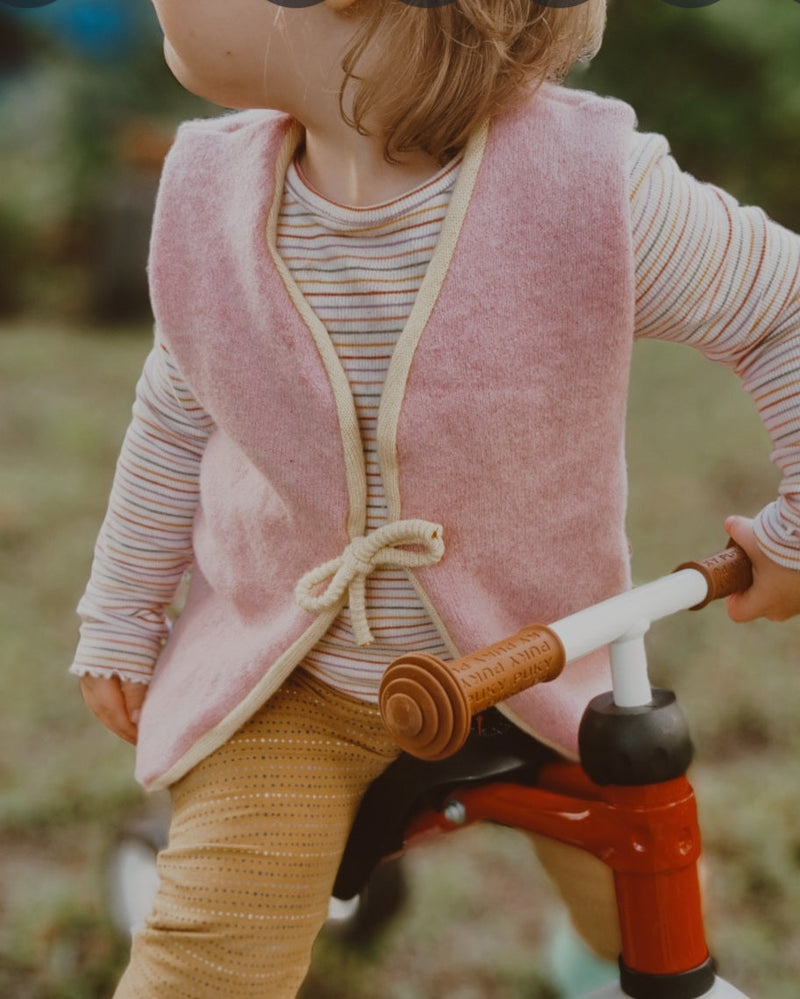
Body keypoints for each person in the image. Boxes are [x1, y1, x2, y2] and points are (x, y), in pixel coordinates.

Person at [72, 0, 800, 995]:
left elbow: (782, 308)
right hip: (295, 681)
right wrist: (120, 608)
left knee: (639, 905)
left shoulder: (586, 193)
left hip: (539, 656)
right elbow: (176, 403)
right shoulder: (208, 199)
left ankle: (592, 962)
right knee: (208, 950)